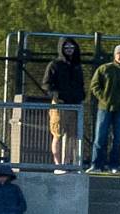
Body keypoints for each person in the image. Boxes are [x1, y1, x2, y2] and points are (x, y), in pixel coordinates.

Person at [88, 44, 120, 174]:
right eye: (119, 53)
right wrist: (103, 98)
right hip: (104, 109)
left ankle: (114, 165)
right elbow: (94, 85)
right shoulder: (104, 69)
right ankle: (96, 165)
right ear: (114, 55)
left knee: (117, 139)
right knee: (100, 137)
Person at [43, 36, 85, 172]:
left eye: (71, 47)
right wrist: (56, 96)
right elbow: (46, 84)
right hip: (60, 106)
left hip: (74, 106)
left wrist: (81, 97)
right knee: (58, 134)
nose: (69, 50)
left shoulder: (77, 66)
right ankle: (58, 165)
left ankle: (67, 163)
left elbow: (81, 84)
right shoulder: (54, 65)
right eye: (66, 47)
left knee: (72, 136)